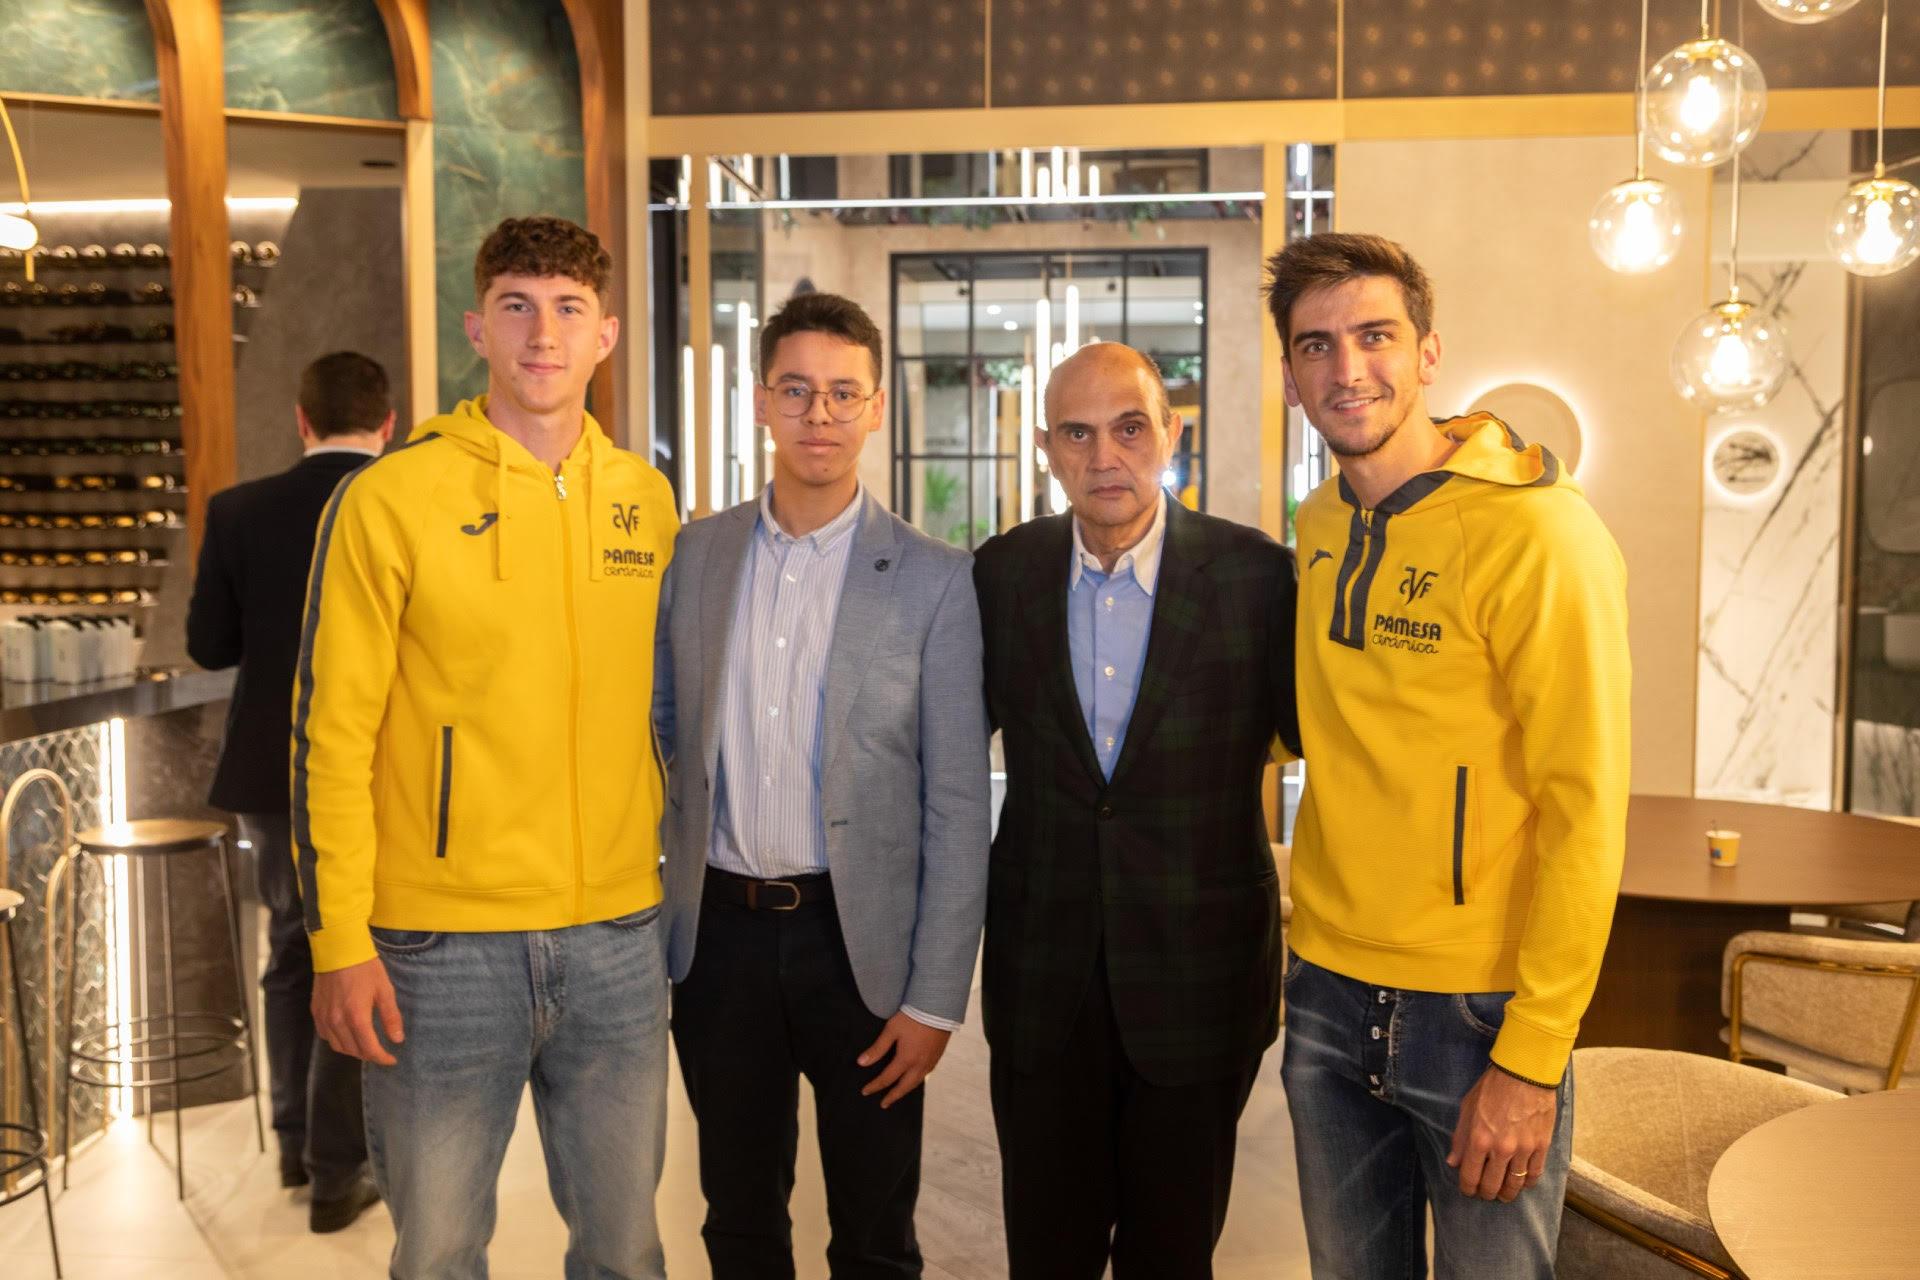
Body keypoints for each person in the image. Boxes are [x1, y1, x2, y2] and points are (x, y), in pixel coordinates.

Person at [293, 216, 680, 1279]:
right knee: (439, 1252)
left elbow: (667, 712)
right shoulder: (389, 498)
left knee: (626, 1249)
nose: (542, 334)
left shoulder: (646, 502)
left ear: (605, 334)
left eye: (567, 310)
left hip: (615, 932)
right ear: (477, 328)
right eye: (516, 306)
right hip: (438, 947)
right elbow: (332, 732)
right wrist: (338, 936)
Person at [1266, 231, 1630, 1279]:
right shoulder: (1319, 520)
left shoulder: (1540, 534)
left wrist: (1534, 1054)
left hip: (1476, 1011)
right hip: (1327, 986)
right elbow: (1326, 718)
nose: (1347, 368)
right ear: (1290, 376)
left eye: (1375, 335)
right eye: (1316, 345)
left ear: (1428, 352)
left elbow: (1586, 808)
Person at [654, 291, 990, 1279]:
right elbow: (665, 734)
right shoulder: (695, 554)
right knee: (739, 1219)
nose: (820, 413)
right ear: (762, 401)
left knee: (875, 1235)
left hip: (863, 947)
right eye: (796, 389)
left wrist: (935, 1000)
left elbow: (958, 803)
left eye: (844, 392)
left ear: (877, 407)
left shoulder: (936, 578)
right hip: (719, 942)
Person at [972, 341, 1299, 1279]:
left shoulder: (1257, 578)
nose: (1105, 456)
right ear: (1046, 449)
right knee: (1047, 1256)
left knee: (1173, 1258)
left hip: (1201, 979)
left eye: (1128, 428)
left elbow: (1330, 739)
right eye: (1077, 434)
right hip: (1044, 982)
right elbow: (945, 751)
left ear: (1170, 433)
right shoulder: (1002, 574)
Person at [186, 350, 392, 1232]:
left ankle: (296, 1145)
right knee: (358, 945)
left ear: (302, 421)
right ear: (388, 424)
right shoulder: (398, 500)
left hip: (270, 769)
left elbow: (208, 646)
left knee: (292, 946)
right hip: (377, 768)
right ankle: (341, 1169)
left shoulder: (239, 510)